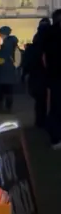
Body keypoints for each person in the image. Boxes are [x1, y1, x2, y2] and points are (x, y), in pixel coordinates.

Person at [23, 17, 50, 128]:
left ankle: (40, 121)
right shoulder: (51, 38)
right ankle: (45, 121)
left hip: (37, 75)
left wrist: (25, 73)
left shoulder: (37, 39)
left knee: (40, 101)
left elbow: (28, 60)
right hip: (46, 74)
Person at [40, 9, 61, 147]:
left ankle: (55, 137)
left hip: (53, 75)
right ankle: (56, 137)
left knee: (55, 106)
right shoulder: (52, 33)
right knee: (56, 107)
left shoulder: (48, 33)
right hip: (56, 75)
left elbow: (43, 56)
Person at [0, 25, 19, 113]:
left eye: (0, 33)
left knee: (3, 90)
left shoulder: (7, 43)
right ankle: (7, 107)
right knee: (8, 90)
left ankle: (3, 107)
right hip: (9, 71)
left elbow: (2, 56)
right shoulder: (11, 42)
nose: (0, 35)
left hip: (4, 70)